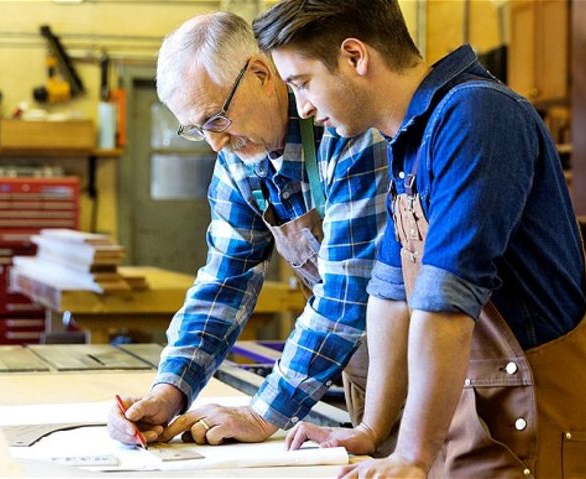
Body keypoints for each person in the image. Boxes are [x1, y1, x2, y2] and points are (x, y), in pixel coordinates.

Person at [253, 0, 586, 477]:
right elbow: (389, 296)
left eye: (302, 83)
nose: (303, 108)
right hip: (483, 434)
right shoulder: (409, 141)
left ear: (355, 56)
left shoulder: (476, 116)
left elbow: (445, 301)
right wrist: (372, 430)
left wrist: (413, 455)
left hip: (539, 442)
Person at [107, 11, 390, 450]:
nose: (215, 143)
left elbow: (347, 292)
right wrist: (170, 390)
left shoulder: (347, 133)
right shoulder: (239, 162)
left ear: (260, 74)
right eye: (197, 129)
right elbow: (225, 282)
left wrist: (262, 414)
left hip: (440, 370)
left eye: (216, 119)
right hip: (364, 373)